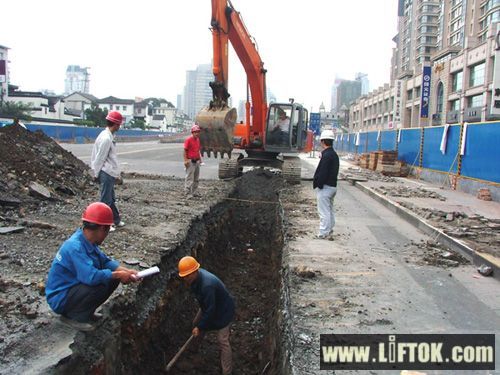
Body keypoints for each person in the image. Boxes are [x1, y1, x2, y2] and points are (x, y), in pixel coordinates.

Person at [45, 202, 139, 331]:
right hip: (61, 297)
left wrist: (126, 271)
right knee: (100, 282)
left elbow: (105, 261)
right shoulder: (75, 247)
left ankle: (85, 312)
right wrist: (119, 275)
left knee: (110, 278)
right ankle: (73, 317)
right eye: (107, 230)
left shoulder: (87, 241)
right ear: (102, 228)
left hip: (73, 289)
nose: (106, 235)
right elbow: (91, 277)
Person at [178, 256, 235, 375]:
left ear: (194, 272)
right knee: (195, 323)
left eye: (187, 276)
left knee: (222, 341)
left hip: (223, 310)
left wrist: (200, 327)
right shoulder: (195, 278)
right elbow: (207, 307)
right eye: (184, 277)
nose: (185, 279)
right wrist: (198, 326)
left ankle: (227, 371)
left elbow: (210, 310)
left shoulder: (207, 285)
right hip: (209, 305)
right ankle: (193, 349)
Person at [91, 110, 124, 231]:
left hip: (109, 172)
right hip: (106, 172)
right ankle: (103, 224)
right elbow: (100, 157)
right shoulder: (106, 138)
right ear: (116, 124)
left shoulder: (108, 136)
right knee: (105, 200)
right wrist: (95, 173)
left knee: (111, 198)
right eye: (119, 124)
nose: (120, 126)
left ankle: (115, 219)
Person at [313, 129, 340, 239]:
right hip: (332, 186)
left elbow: (323, 172)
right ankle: (329, 230)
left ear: (323, 141)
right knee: (329, 210)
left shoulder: (327, 155)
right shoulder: (333, 154)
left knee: (323, 212)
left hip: (325, 187)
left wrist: (319, 183)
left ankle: (323, 233)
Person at [183, 124, 203, 197]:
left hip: (196, 161)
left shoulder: (198, 140)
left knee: (196, 178)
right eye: (195, 132)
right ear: (192, 132)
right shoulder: (188, 140)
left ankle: (194, 192)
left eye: (198, 132)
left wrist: (200, 160)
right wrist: (185, 160)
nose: (197, 133)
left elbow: (197, 151)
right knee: (189, 178)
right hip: (190, 161)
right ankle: (187, 193)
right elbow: (185, 150)